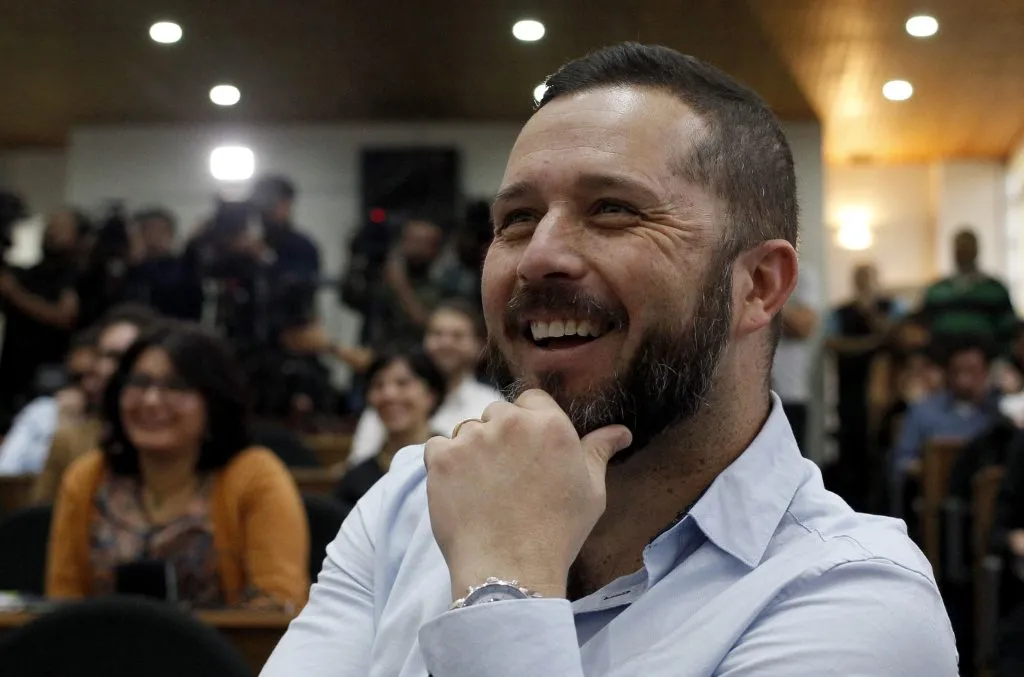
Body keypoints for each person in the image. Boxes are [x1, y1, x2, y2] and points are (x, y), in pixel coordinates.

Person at [263, 43, 956, 676]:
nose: (537, 257)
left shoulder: (853, 596)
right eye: (517, 220)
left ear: (759, 285)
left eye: (614, 210)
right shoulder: (411, 498)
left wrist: (503, 586)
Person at [46, 322, 309, 609]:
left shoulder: (254, 476)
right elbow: (62, 604)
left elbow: (278, 605)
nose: (151, 400)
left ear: (213, 401)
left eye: (175, 386)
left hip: (227, 652)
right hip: (100, 651)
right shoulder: (88, 477)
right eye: (139, 383)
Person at [343, 300, 502, 467]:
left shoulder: (491, 405)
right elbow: (360, 465)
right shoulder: (389, 401)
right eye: (437, 334)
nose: (445, 343)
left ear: (480, 345)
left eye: (457, 336)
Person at [32, 303, 159, 503]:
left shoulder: (172, 442)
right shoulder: (69, 442)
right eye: (103, 356)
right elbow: (40, 524)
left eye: (122, 357)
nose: (107, 368)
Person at [0, 210, 84, 426]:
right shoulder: (28, 273)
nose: (52, 234)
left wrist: (16, 294)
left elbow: (63, 317)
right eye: (50, 227)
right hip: (14, 369)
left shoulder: (76, 274)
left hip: (50, 369)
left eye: (61, 228)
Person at [335, 349, 446, 509]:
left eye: (403, 383)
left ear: (431, 394)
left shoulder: (457, 461)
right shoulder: (356, 479)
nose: (389, 395)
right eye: (378, 385)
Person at [824, 263, 895, 509]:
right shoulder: (841, 312)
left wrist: (874, 316)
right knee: (851, 450)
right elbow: (832, 343)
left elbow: (896, 336)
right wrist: (871, 344)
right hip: (851, 393)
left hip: (886, 394)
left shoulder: (891, 307)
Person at [892, 335, 999, 482]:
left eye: (972, 372)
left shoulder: (1000, 414)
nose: (964, 381)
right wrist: (928, 469)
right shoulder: (923, 411)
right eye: (957, 372)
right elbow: (902, 461)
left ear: (986, 373)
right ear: (947, 373)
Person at [0, 328, 96, 475]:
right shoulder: (41, 411)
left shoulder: (122, 420)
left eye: (93, 376)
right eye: (77, 378)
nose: (88, 385)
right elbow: (6, 467)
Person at [921, 228, 1017, 348]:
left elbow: (1008, 329)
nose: (963, 251)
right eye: (960, 247)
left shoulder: (995, 290)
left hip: (986, 359)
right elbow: (924, 328)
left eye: (967, 247)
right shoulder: (936, 290)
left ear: (976, 250)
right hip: (942, 359)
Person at [771, 263, 821, 454]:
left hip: (789, 394)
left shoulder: (803, 274)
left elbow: (803, 328)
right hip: (745, 399)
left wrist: (760, 294)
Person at [124, 207, 203, 320]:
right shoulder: (130, 269)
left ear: (171, 233)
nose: (153, 236)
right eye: (147, 230)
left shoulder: (184, 269)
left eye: (160, 230)